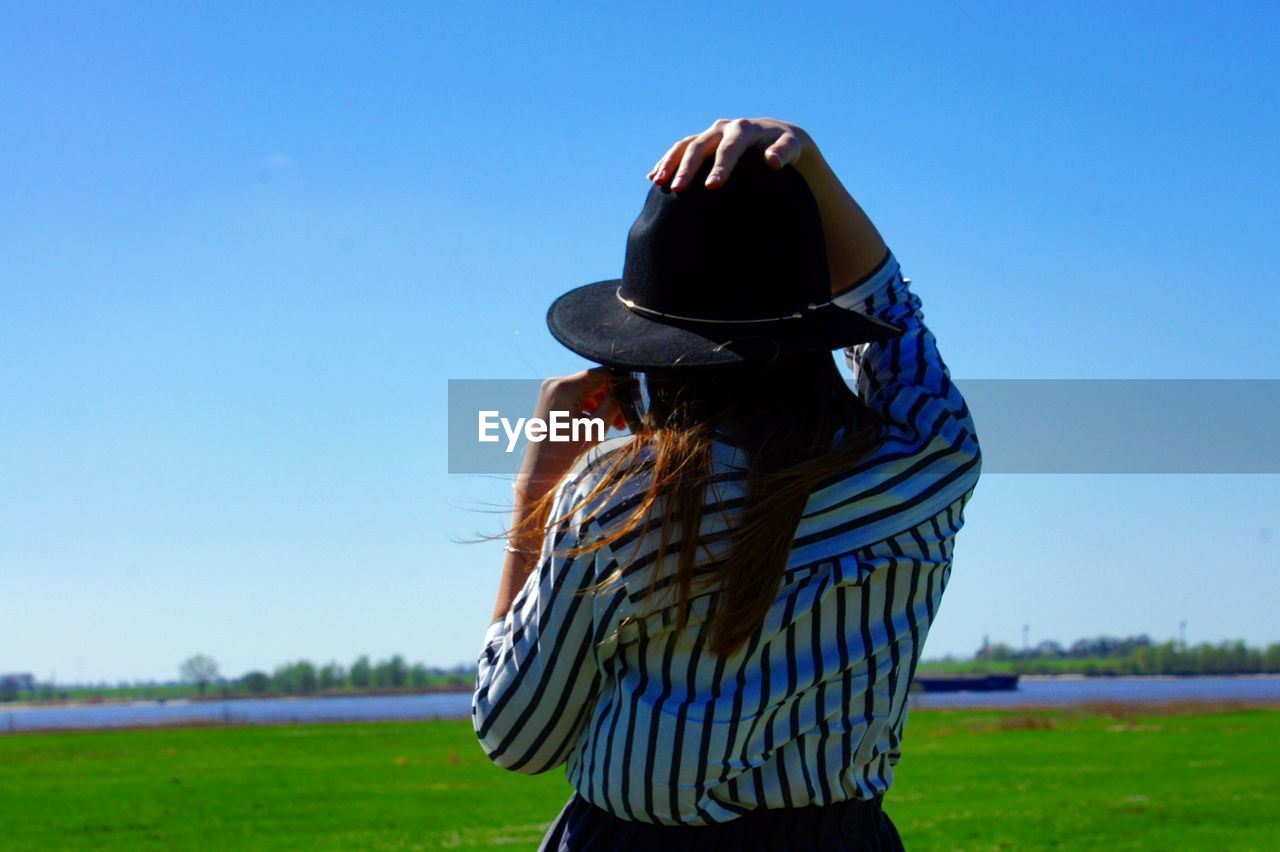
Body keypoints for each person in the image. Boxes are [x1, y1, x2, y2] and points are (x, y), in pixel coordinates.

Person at [472, 117, 981, 850]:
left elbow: (514, 732)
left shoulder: (622, 498)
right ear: (815, 330)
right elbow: (890, 306)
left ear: (645, 351)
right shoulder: (927, 456)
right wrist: (804, 159)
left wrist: (544, 476)